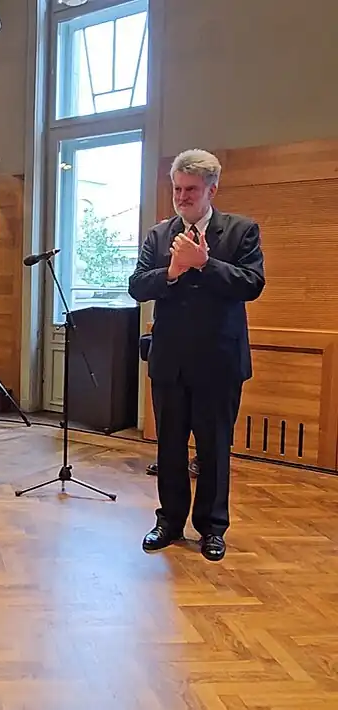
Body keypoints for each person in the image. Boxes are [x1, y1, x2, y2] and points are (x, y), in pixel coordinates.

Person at [128, 149, 264, 562]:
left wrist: (205, 263)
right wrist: (172, 272)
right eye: (177, 189)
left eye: (191, 189)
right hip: (170, 362)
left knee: (214, 449)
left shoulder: (240, 231)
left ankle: (212, 528)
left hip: (219, 363)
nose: (182, 197)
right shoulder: (158, 235)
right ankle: (169, 522)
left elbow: (252, 284)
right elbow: (137, 286)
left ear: (211, 190)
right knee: (169, 448)